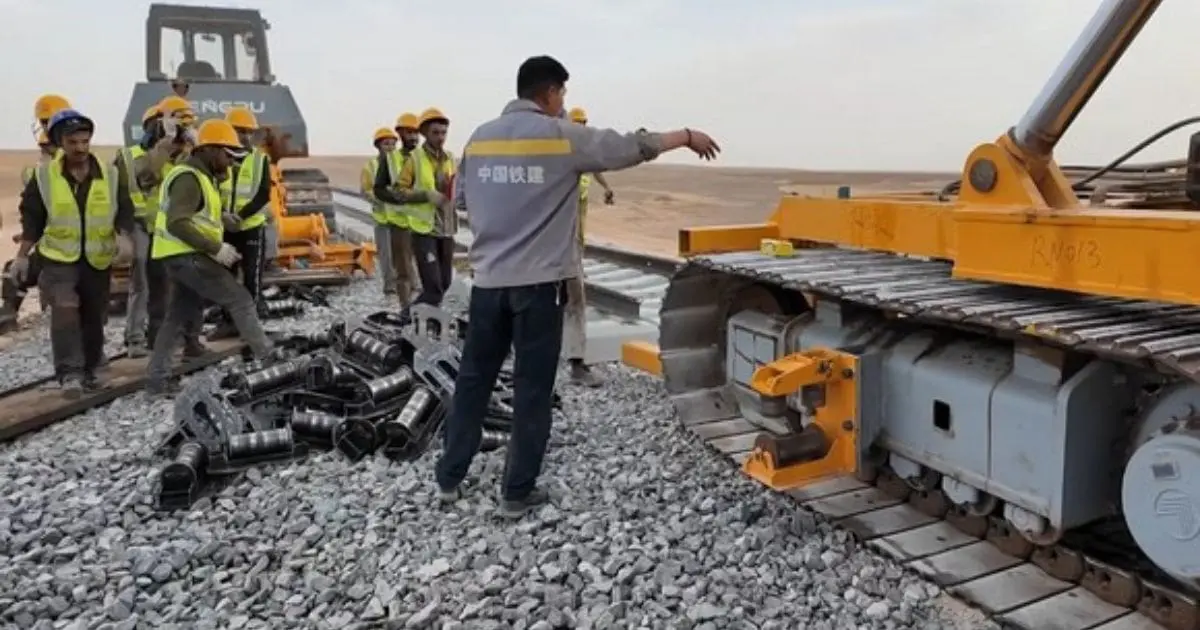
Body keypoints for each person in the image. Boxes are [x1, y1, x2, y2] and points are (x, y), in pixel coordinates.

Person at [434, 55, 720, 518]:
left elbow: (460, 197)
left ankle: (449, 479)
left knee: (473, 381)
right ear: (550, 92)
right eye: (562, 94)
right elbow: (632, 146)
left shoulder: (479, 138)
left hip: (488, 282)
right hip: (539, 286)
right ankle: (515, 492)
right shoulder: (560, 137)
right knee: (531, 389)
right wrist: (685, 136)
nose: (563, 102)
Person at [145, 119, 275, 396]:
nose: (230, 163)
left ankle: (158, 381)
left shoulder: (200, 177)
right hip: (188, 255)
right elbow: (177, 222)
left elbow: (195, 216)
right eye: (228, 155)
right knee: (240, 299)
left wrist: (221, 219)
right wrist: (215, 248)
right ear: (210, 149)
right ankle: (269, 360)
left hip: (177, 256)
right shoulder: (190, 178)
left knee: (178, 315)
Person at [14, 109, 138, 395]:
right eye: (73, 142)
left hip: (97, 258)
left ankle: (93, 368)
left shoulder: (109, 174)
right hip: (59, 259)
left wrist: (123, 235)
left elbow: (125, 207)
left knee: (94, 316)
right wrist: (22, 255)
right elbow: (32, 217)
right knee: (65, 313)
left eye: (85, 141)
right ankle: (70, 374)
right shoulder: (44, 176)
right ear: (60, 142)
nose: (81, 148)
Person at [125, 96, 209, 357]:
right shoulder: (143, 155)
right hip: (147, 229)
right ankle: (147, 339)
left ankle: (186, 339)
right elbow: (147, 177)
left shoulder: (184, 157)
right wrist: (162, 148)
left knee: (184, 286)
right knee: (151, 287)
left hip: (176, 231)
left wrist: (193, 149)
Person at [563, 106, 616, 387]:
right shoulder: (560, 156)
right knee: (573, 300)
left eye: (584, 124)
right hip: (558, 245)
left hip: (571, 240)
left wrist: (606, 189)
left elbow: (597, 168)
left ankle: (574, 362)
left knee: (572, 298)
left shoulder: (578, 155)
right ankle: (575, 365)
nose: (582, 128)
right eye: (578, 124)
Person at [212, 105, 274, 338]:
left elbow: (263, 193)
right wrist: (223, 217)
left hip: (250, 228)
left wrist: (241, 216)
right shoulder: (218, 157)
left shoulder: (260, 160)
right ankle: (227, 321)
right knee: (224, 277)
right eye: (239, 131)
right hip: (225, 228)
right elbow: (211, 190)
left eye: (248, 132)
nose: (244, 136)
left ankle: (250, 324)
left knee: (251, 277)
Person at [395, 107, 457, 311]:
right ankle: (405, 318)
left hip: (446, 229)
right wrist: (425, 195)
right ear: (424, 133)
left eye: (443, 133)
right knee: (433, 288)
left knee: (445, 284)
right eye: (435, 133)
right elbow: (399, 191)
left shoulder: (450, 159)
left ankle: (424, 321)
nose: (440, 137)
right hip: (424, 231)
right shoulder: (415, 159)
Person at [372, 112, 422, 308]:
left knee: (427, 269)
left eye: (416, 133)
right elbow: (377, 189)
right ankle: (405, 308)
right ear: (400, 133)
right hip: (399, 222)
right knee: (401, 268)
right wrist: (397, 199)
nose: (413, 137)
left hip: (425, 223)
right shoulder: (390, 160)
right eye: (409, 132)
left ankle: (424, 304)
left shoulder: (424, 157)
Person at [363, 127, 399, 294]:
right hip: (383, 218)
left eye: (393, 144)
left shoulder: (401, 163)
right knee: (386, 254)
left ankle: (405, 282)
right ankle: (390, 285)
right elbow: (365, 189)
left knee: (403, 253)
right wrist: (382, 198)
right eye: (386, 144)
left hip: (402, 218)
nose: (390, 147)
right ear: (378, 146)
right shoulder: (371, 166)